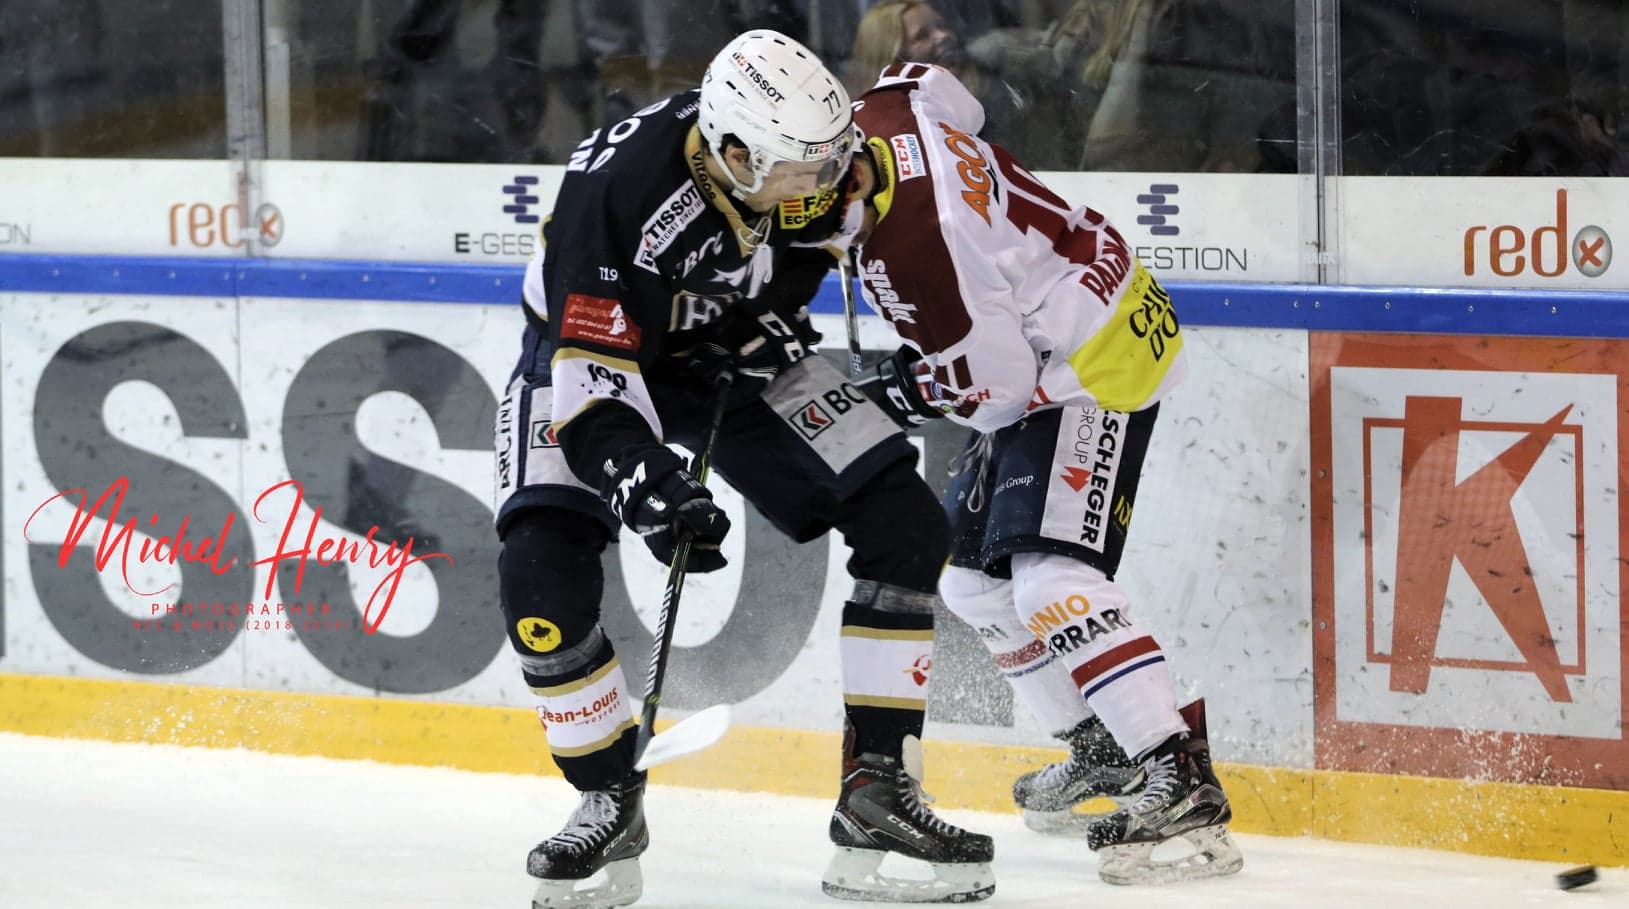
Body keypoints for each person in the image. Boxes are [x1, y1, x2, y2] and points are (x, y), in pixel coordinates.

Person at [492, 31, 994, 907]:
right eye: (807, 170)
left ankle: (877, 787)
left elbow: (824, 231)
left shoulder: (800, 157)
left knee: (906, 525)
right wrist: (649, 483)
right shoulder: (613, 194)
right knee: (538, 571)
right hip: (594, 357)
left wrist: (761, 310)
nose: (831, 182)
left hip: (733, 342)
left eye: (834, 160)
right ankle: (606, 795)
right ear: (730, 152)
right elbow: (592, 390)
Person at [840, 61, 1243, 885]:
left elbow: (995, 397)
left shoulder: (916, 254)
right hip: (1078, 297)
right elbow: (946, 91)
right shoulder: (883, 106)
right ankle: (1101, 748)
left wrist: (907, 388)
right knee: (968, 584)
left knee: (1050, 583)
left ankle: (1179, 778)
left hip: (1091, 363)